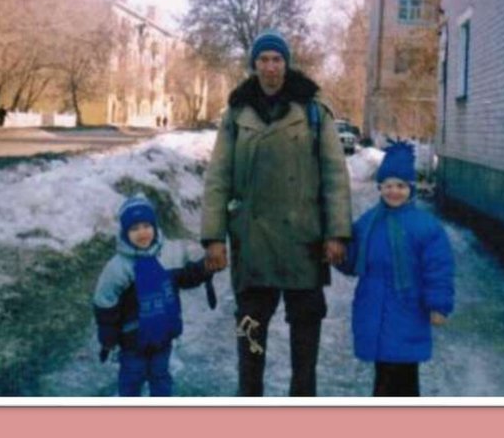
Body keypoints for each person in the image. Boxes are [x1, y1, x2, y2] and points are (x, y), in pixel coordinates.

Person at [201, 29, 352, 396]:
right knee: (251, 332)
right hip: (253, 241)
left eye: (277, 59)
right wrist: (213, 237)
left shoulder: (313, 110)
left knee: (305, 333)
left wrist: (336, 233)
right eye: (264, 60)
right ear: (254, 65)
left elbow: (335, 176)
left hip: (304, 239)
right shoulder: (237, 112)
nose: (270, 67)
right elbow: (218, 177)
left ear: (286, 64)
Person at [338, 141, 454, 397]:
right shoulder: (368, 223)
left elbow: (438, 270)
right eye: (388, 186)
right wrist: (337, 253)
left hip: (409, 310)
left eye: (401, 186)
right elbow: (352, 258)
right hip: (373, 306)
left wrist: (438, 305)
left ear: (410, 188)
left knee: (404, 374)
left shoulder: (426, 227)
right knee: (384, 371)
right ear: (380, 187)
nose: (394, 192)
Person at [93, 194, 216, 397]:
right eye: (134, 228)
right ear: (124, 232)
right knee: (132, 379)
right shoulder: (119, 267)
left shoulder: (168, 255)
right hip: (132, 341)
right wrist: (108, 337)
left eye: (146, 226)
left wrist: (204, 268)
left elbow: (185, 277)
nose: (142, 233)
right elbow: (105, 301)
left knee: (161, 377)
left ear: (155, 226)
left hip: (162, 338)